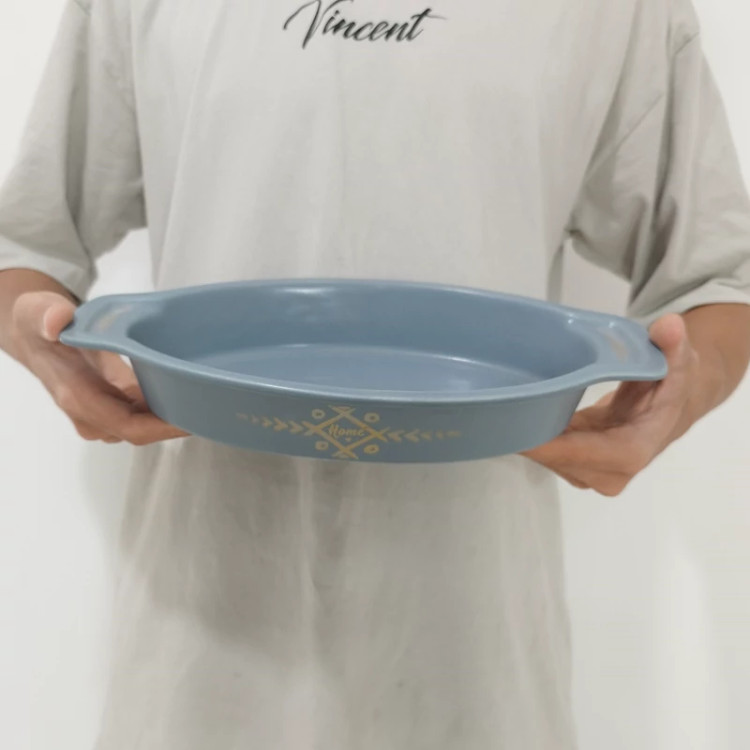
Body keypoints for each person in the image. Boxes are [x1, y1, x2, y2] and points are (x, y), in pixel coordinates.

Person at [1, 0, 750, 747]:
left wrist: (680, 392)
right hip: (198, 625)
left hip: (476, 641)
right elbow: (24, 247)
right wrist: (47, 343)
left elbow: (720, 283)